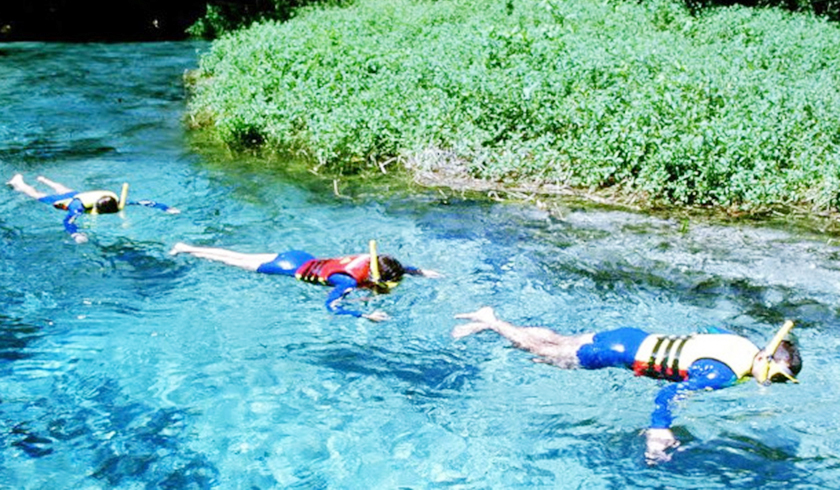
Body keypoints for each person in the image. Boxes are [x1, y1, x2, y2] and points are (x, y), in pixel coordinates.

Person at [452, 307, 802, 463]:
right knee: (546, 353)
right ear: (767, 358)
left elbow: (708, 330)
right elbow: (668, 392)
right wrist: (659, 431)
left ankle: (493, 320)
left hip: (630, 336)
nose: (771, 384)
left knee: (557, 342)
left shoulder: (740, 343)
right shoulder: (723, 374)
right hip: (619, 355)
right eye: (776, 376)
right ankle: (492, 322)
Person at [170, 240, 442, 321]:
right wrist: (363, 316)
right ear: (375, 278)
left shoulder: (373, 265)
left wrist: (419, 271)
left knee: (238, 255)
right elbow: (331, 306)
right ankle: (186, 248)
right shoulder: (347, 282)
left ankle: (187, 246)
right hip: (288, 267)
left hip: (302, 255)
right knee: (234, 259)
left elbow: (399, 268)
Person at [7, 173, 180, 243]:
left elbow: (144, 202)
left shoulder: (116, 202)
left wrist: (166, 208)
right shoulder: (77, 207)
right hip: (71, 200)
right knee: (38, 196)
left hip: (81, 194)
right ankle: (18, 182)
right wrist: (75, 233)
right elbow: (68, 220)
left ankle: (44, 179)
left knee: (66, 190)